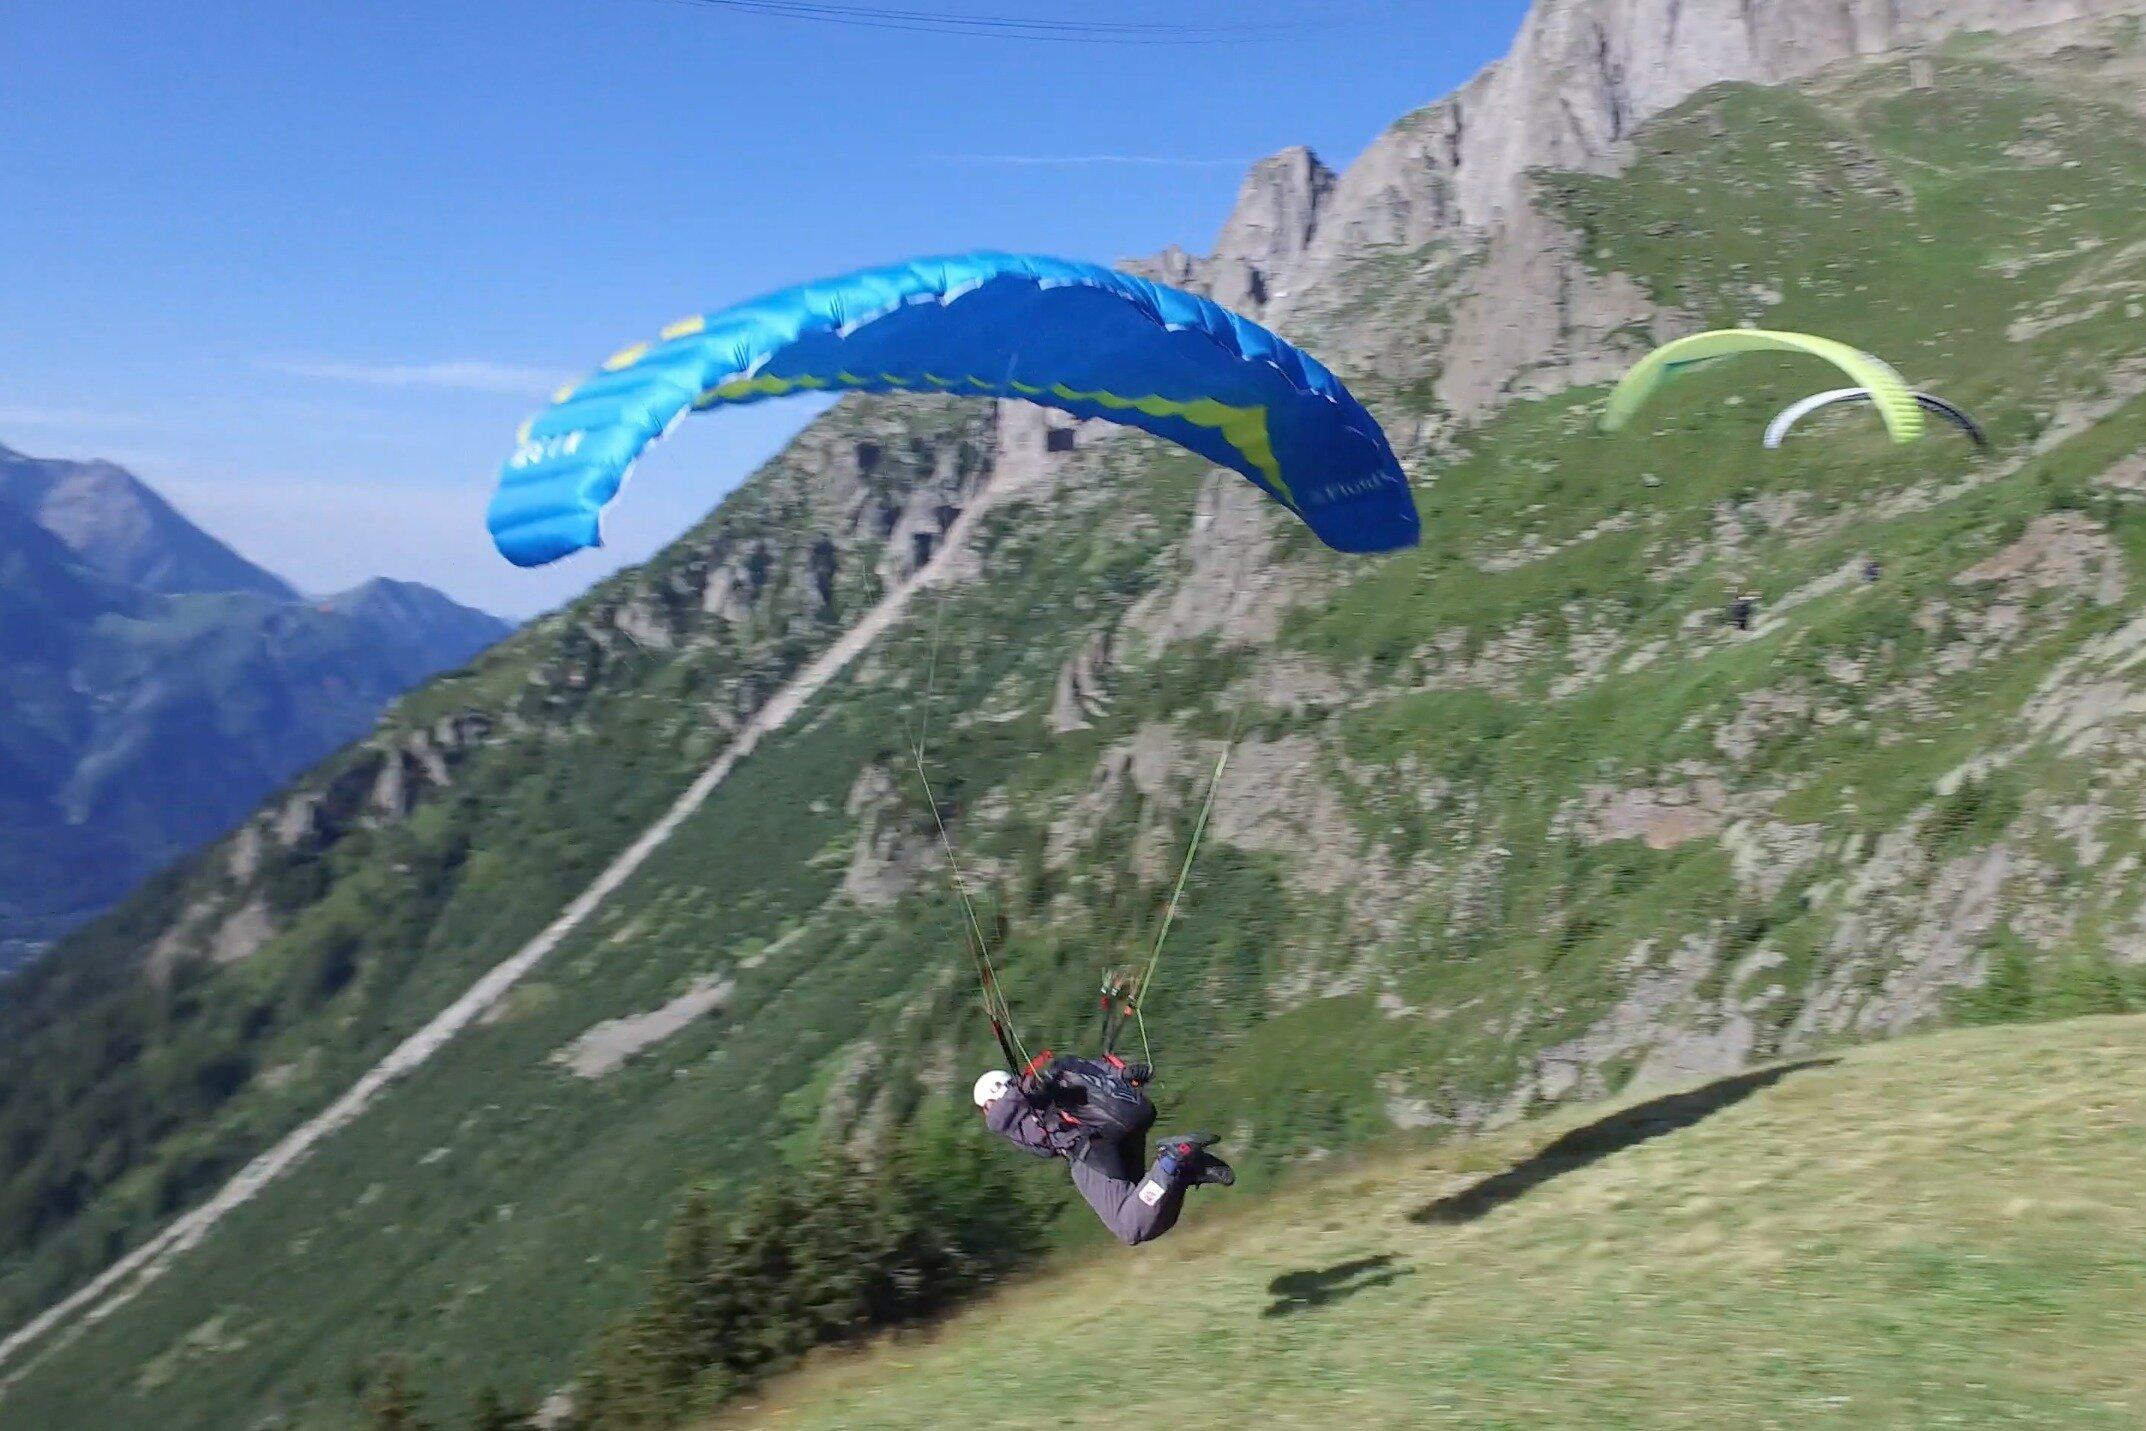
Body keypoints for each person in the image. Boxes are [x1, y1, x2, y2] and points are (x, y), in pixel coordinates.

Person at [974, 1060, 1233, 1246]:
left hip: (1091, 1153)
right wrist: (1125, 1074)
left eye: (984, 1107)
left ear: (989, 1101)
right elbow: (1100, 1072)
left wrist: (1018, 1090)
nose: (986, 1113)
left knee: (1129, 1227)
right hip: (1118, 1134)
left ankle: (1171, 1159)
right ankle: (1186, 1170)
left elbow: (996, 1119)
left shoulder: (1009, 1110)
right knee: (1151, 1211)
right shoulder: (1041, 1086)